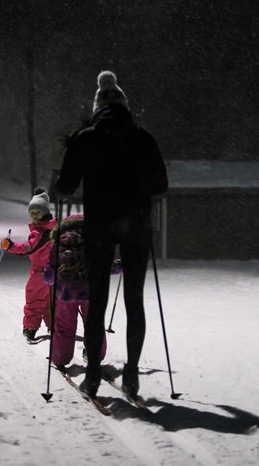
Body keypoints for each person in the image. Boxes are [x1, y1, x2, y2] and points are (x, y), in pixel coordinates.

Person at [55, 70, 168, 397]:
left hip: (99, 227)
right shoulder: (143, 138)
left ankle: (92, 376)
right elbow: (161, 186)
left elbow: (65, 187)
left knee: (98, 300)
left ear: (96, 107)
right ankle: (131, 374)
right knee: (135, 300)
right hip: (137, 225)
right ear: (124, 106)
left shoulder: (85, 137)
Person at [43, 213, 119, 367]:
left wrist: (49, 278)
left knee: (65, 326)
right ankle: (94, 354)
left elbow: (50, 272)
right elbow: (105, 266)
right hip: (91, 291)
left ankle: (60, 357)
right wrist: (121, 265)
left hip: (65, 293)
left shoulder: (58, 243)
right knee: (93, 324)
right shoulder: (95, 242)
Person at [1, 187, 57, 343]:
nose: (34, 215)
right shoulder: (53, 228)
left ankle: (30, 328)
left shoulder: (41, 232)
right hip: (54, 272)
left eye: (38, 212)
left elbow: (29, 248)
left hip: (40, 273)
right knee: (51, 301)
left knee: (35, 299)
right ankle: (55, 326)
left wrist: (10, 246)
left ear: (45, 212)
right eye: (32, 212)